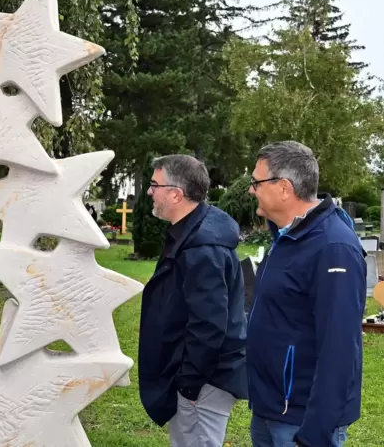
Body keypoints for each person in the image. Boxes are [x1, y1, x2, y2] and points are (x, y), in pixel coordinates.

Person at [246, 141, 365, 447]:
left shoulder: (332, 247)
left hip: (300, 422)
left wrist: (314, 433)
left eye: (256, 182)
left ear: (284, 188)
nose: (250, 190)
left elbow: (339, 349)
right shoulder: (288, 235)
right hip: (271, 409)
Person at [137, 154, 248, 447]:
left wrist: (189, 383)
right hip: (198, 376)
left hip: (204, 382)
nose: (149, 191)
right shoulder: (192, 234)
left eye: (154, 185)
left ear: (176, 193)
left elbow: (209, 325)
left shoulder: (202, 247)